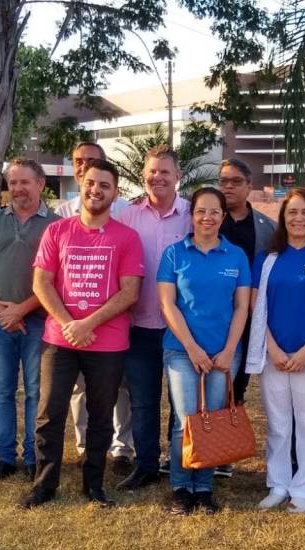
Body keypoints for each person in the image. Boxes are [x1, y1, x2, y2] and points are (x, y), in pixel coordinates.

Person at [27, 158, 144, 508]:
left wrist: (86, 324)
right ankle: (44, 485)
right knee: (49, 413)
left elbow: (130, 292)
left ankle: (93, 485)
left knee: (100, 415)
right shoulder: (57, 231)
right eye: (91, 183)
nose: (96, 190)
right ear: (81, 184)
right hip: (59, 340)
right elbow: (42, 283)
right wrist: (69, 324)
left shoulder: (128, 237)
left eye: (105, 185)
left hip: (107, 343)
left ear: (115, 193)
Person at [157, 187, 251, 515]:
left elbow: (242, 307)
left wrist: (229, 350)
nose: (207, 217)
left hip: (224, 353)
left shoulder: (236, 256)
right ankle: (181, 487)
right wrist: (192, 348)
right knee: (186, 420)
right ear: (192, 215)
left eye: (214, 212)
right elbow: (168, 304)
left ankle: (204, 487)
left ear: (223, 217)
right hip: (182, 351)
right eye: (201, 211)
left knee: (213, 418)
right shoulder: (174, 254)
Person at [246, 188, 305, 514]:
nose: (299, 218)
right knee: (278, 423)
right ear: (283, 218)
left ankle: (304, 488)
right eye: (292, 212)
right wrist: (271, 347)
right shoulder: (267, 258)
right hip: (273, 355)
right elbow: (256, 307)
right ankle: (279, 483)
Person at [0, 158, 59, 481]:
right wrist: (2, 311)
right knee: (2, 390)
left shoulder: (56, 225)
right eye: (13, 182)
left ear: (40, 184)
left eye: (25, 182)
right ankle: (6, 457)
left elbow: (57, 280)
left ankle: (33, 456)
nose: (18, 188)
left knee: (36, 391)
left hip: (39, 320)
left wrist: (21, 310)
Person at [114, 144, 192, 491]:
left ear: (178, 176)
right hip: (139, 326)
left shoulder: (192, 215)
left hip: (182, 329)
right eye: (152, 171)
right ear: (143, 175)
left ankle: (179, 464)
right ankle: (145, 465)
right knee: (143, 402)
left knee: (180, 404)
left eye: (165, 171)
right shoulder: (128, 217)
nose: (157, 177)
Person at [55, 141, 134, 473]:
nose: (83, 165)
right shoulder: (62, 212)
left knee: (118, 387)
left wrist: (92, 322)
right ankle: (84, 446)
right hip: (70, 326)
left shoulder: (125, 210)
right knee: (78, 390)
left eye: (90, 161)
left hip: (113, 322)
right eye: (78, 161)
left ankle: (121, 448)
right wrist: (72, 324)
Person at [215, 157, 275, 479]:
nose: (228, 187)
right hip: (209, 317)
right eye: (223, 181)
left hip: (248, 319)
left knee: (235, 385)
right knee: (201, 384)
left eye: (235, 181)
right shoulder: (208, 218)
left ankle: (223, 452)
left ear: (249, 186)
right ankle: (190, 448)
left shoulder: (266, 227)